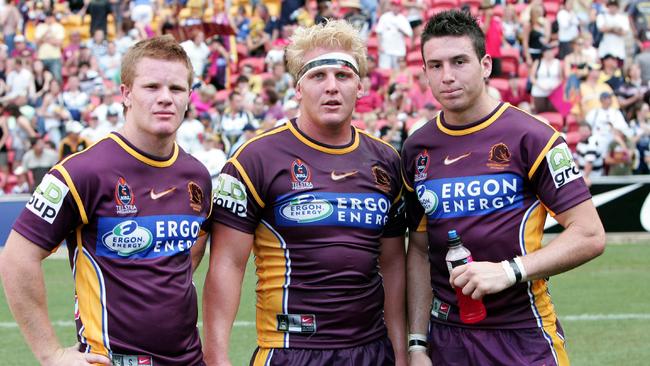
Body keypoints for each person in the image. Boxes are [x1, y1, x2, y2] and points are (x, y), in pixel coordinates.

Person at [402, 10, 606, 365]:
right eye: (435, 65)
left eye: (459, 62)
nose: (447, 76)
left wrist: (509, 270)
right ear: (424, 73)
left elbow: (589, 235)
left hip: (523, 335)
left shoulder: (533, 137)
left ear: (485, 64)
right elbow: (418, 250)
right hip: (447, 338)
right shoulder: (416, 148)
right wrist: (417, 343)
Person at [203, 19, 407, 366]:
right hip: (290, 351)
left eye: (342, 76)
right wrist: (216, 358)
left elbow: (392, 264)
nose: (331, 87)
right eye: (318, 76)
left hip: (372, 352)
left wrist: (401, 352)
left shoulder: (386, 161)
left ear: (360, 87)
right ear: (298, 88)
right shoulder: (255, 159)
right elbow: (227, 264)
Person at [0, 35, 212, 366]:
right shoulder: (82, 172)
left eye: (176, 89)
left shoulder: (197, 176)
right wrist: (50, 355)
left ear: (189, 96)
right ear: (126, 94)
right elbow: (16, 257)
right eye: (151, 87)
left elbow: (192, 248)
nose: (165, 99)